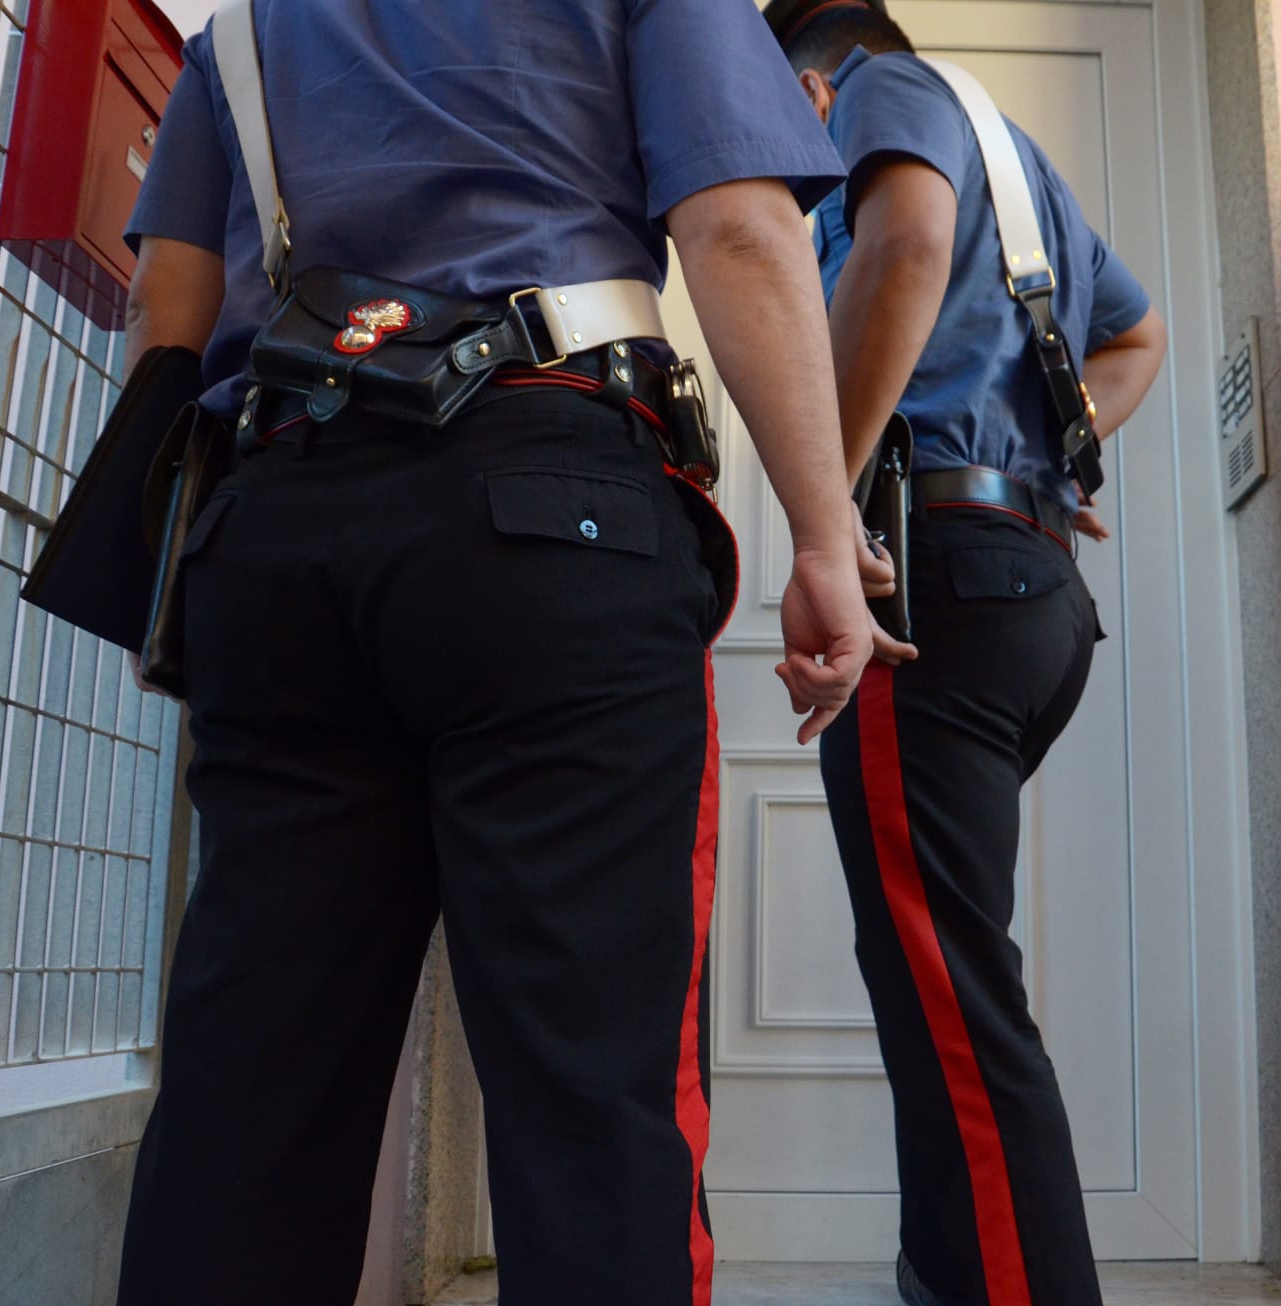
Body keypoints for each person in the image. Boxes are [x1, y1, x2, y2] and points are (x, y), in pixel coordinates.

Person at [113, 2, 887, 1303]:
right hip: (551, 511)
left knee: (250, 1091)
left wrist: (170, 576)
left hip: (284, 524)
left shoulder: (241, 30)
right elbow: (741, 228)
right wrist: (823, 531)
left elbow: (166, 309)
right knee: (591, 1094)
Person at [765, 4, 1170, 1304]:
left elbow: (908, 244)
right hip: (1033, 590)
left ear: (813, 89)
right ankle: (946, 1273)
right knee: (937, 988)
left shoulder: (880, 92)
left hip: (934, 582)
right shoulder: (1018, 163)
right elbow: (1133, 333)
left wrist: (821, 508)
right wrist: (1060, 449)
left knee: (953, 997)